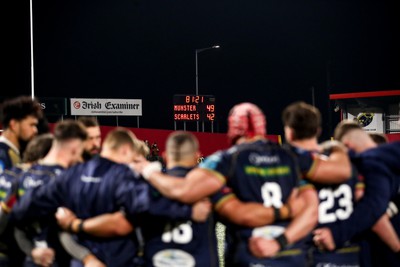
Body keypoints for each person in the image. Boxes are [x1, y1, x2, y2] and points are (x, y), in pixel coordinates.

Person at [138, 103, 340, 266]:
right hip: (293, 255)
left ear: (233, 129)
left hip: (250, 255)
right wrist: (281, 238)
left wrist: (147, 169)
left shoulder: (226, 160)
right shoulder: (292, 156)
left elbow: (183, 191)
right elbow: (313, 208)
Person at [9, 128, 209, 267]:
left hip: (80, 259)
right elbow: (144, 204)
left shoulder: (72, 174)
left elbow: (27, 205)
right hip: (117, 259)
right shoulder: (123, 176)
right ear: (124, 150)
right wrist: (189, 210)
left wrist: (12, 213)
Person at [281, 101, 364, 266]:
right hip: (351, 253)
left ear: (289, 133)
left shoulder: (288, 164)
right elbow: (362, 200)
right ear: (318, 131)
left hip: (314, 252)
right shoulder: (346, 161)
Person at [314, 120, 400, 265]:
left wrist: (336, 234)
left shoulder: (369, 162)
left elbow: (373, 208)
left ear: (347, 146)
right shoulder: (393, 152)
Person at [12, 120, 88, 267]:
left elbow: (16, 225)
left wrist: (32, 251)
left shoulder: (23, 176)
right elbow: (66, 228)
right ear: (74, 148)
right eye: (80, 152)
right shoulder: (68, 179)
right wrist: (87, 257)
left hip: (31, 260)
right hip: (60, 259)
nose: (79, 158)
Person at [0, 96, 43, 173]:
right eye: (31, 125)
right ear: (13, 125)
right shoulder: (2, 154)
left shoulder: (12, 153)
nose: (35, 130)